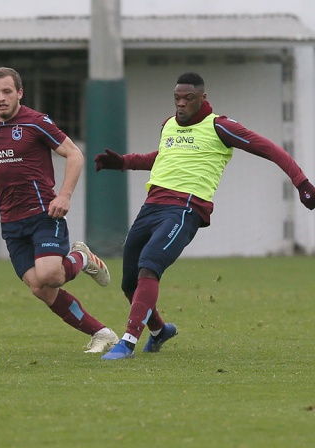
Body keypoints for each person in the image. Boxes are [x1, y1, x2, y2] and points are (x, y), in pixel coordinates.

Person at [95, 72, 315, 360]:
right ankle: (161, 331)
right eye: (177, 98)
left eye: (188, 98)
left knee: (149, 265)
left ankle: (128, 342)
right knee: (129, 283)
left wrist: (301, 183)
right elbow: (162, 157)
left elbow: (271, 150)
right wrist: (124, 162)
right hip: (151, 207)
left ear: (203, 98)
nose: (181, 104)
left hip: (185, 209)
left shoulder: (220, 127)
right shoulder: (169, 125)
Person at [0, 67, 119, 354]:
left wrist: (65, 196)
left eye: (7, 91)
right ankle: (101, 333)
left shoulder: (36, 122)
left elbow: (74, 154)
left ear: (20, 92)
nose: (1, 98)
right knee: (40, 288)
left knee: (50, 276)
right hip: (11, 223)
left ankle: (81, 257)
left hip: (44, 214)